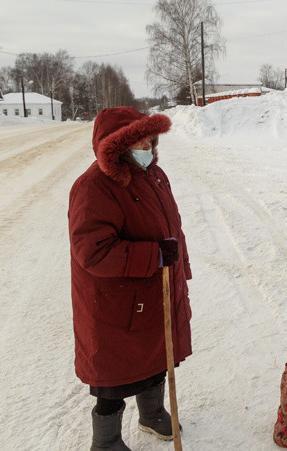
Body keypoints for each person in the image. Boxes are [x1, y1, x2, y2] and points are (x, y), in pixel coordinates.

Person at [68, 106, 192, 450]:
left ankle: (150, 414)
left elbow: (172, 230)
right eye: (138, 143)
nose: (147, 149)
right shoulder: (93, 186)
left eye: (149, 141)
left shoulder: (155, 175)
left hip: (158, 291)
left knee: (156, 360)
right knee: (115, 380)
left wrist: (180, 268)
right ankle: (106, 443)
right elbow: (92, 251)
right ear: (116, 146)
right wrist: (152, 256)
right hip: (117, 303)